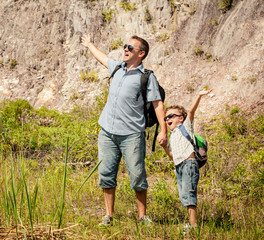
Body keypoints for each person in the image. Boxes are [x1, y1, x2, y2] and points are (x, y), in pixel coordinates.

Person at [81, 34, 167, 226]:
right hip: (107, 132)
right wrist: (90, 45)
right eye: (125, 46)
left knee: (137, 175)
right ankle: (108, 216)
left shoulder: (147, 77)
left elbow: (158, 104)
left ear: (141, 53)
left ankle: (142, 217)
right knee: (106, 173)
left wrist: (163, 131)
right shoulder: (118, 68)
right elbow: (103, 58)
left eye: (130, 47)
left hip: (132, 135)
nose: (125, 49)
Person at [159, 89, 213, 231]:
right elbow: (173, 156)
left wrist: (199, 96)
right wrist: (165, 147)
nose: (168, 119)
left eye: (171, 116)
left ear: (181, 118)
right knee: (183, 195)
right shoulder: (172, 136)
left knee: (189, 192)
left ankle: (193, 225)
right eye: (166, 118)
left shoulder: (185, 127)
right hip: (179, 166)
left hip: (189, 164)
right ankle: (191, 223)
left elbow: (191, 112)